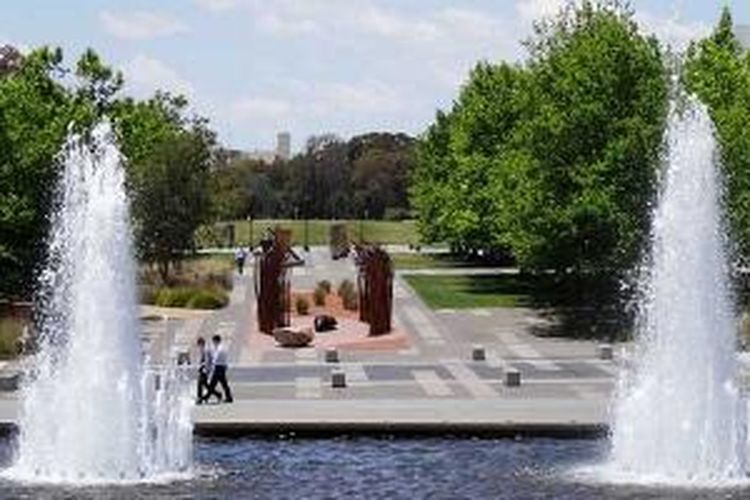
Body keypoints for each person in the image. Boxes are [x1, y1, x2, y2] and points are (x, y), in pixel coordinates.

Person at [208, 334, 233, 403]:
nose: (213, 343)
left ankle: (207, 397)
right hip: (222, 367)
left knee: (212, 384)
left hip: (218, 367)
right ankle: (229, 397)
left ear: (216, 341)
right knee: (224, 384)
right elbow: (226, 358)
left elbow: (215, 359)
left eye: (213, 341)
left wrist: (211, 365)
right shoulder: (223, 348)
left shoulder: (219, 349)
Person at [196, 337, 220, 404]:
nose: (199, 347)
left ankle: (199, 398)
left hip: (204, 370)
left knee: (200, 384)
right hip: (204, 369)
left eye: (199, 345)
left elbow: (207, 361)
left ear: (201, 343)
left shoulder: (206, 350)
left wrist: (205, 370)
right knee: (205, 385)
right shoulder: (204, 349)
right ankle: (217, 394)